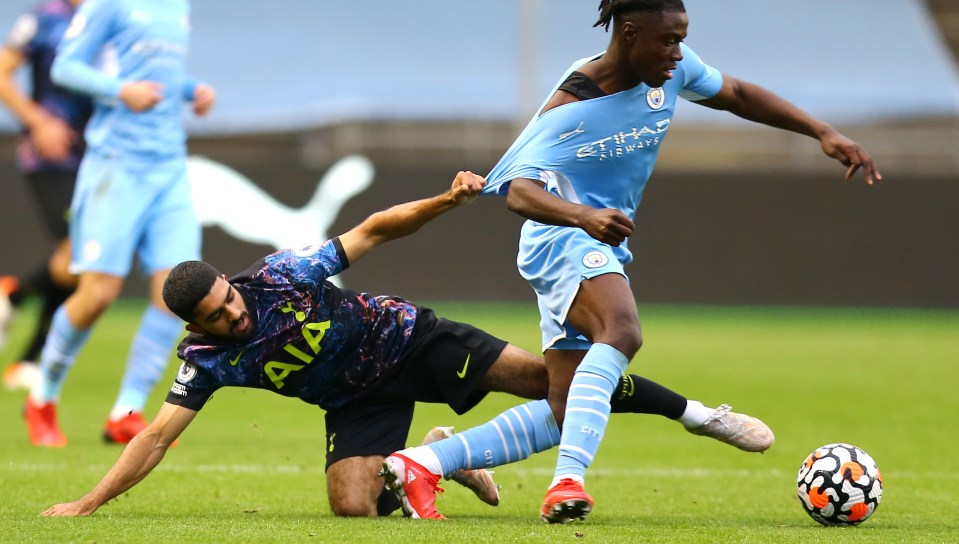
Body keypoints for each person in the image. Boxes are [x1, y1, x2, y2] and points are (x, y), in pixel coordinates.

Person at [384, 0, 881, 524]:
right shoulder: (573, 105)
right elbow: (519, 194)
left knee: (564, 405)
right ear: (627, 33)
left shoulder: (670, 69)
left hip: (594, 238)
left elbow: (736, 94)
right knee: (622, 332)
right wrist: (584, 215)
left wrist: (821, 132)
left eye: (680, 39)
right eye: (666, 40)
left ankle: (423, 462)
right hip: (561, 236)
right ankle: (568, 483)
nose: (677, 53)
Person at [40, 171, 771, 519]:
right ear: (194, 326)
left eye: (230, 300)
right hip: (356, 401)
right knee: (351, 507)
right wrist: (90, 502)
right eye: (219, 315)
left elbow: (373, 230)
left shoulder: (276, 276)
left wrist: (445, 202)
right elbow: (159, 439)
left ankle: (700, 415)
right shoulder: (207, 361)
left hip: (412, 339)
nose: (235, 314)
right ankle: (435, 458)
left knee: (553, 385)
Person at [24, 0, 216, 447]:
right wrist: (118, 91)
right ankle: (42, 397)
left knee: (175, 295)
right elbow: (65, 65)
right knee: (99, 292)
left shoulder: (176, 5)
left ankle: (125, 411)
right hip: (116, 167)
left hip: (168, 169)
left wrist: (191, 90)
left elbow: (163, 73)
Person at [0, 0, 114, 391]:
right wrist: (38, 120)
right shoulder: (44, 18)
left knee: (79, 262)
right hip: (52, 156)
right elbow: (3, 73)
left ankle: (14, 305)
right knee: (78, 256)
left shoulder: (118, 19)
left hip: (101, 155)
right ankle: (26, 347)